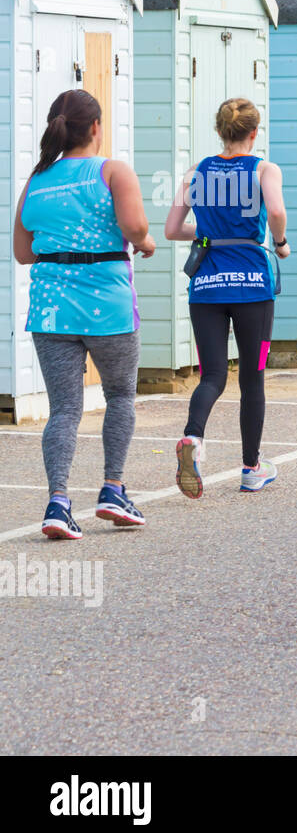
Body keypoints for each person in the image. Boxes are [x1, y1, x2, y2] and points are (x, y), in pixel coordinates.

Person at [12, 89, 154, 539]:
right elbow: (135, 228)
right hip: (107, 304)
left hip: (50, 309)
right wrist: (146, 244)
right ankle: (113, 489)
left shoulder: (36, 180)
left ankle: (57, 502)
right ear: (95, 127)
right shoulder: (113, 170)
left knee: (65, 409)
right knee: (120, 396)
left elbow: (21, 252)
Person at [166, 99, 290, 497]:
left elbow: (172, 229)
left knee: (213, 375)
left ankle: (193, 438)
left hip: (205, 288)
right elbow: (276, 211)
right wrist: (282, 242)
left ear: (220, 131)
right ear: (254, 133)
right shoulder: (264, 169)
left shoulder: (196, 172)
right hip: (252, 285)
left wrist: (207, 235)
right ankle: (251, 468)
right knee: (252, 379)